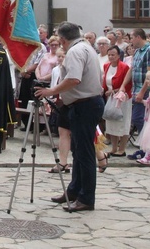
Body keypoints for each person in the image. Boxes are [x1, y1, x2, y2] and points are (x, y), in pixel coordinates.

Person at [35, 21, 104, 212]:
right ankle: (75, 190)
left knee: (85, 153)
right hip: (83, 103)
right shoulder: (85, 47)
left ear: (64, 39)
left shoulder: (75, 51)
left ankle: (86, 198)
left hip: (85, 104)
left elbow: (74, 79)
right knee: (78, 151)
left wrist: (51, 91)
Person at [127, 29, 150, 160]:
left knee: (139, 118)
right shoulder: (137, 52)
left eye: (132, 38)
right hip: (136, 89)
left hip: (145, 91)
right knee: (139, 119)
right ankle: (144, 148)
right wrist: (124, 86)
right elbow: (132, 69)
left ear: (138, 37)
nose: (131, 41)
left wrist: (142, 91)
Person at [102, 45, 132, 156]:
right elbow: (105, 81)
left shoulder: (124, 67)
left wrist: (114, 91)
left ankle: (122, 148)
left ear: (119, 55)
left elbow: (128, 84)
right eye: (109, 55)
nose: (111, 57)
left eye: (113, 55)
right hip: (110, 97)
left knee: (123, 122)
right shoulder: (106, 66)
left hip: (122, 97)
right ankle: (114, 148)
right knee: (111, 121)